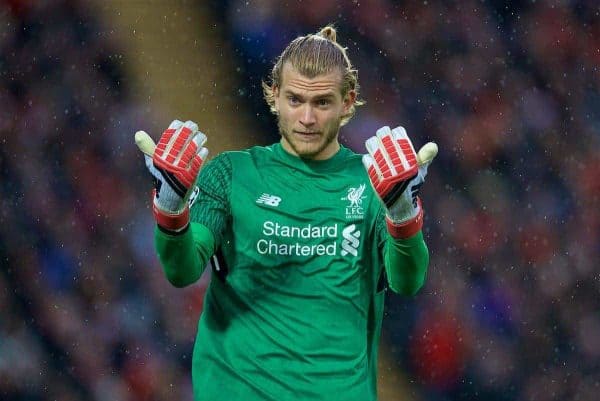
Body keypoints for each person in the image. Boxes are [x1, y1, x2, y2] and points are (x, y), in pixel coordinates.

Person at [136, 26, 436, 401]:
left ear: (348, 102)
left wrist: (403, 213)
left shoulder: (374, 183)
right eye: (295, 100)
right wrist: (170, 209)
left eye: (322, 102)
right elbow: (181, 270)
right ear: (274, 96)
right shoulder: (231, 175)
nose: (306, 118)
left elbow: (408, 281)